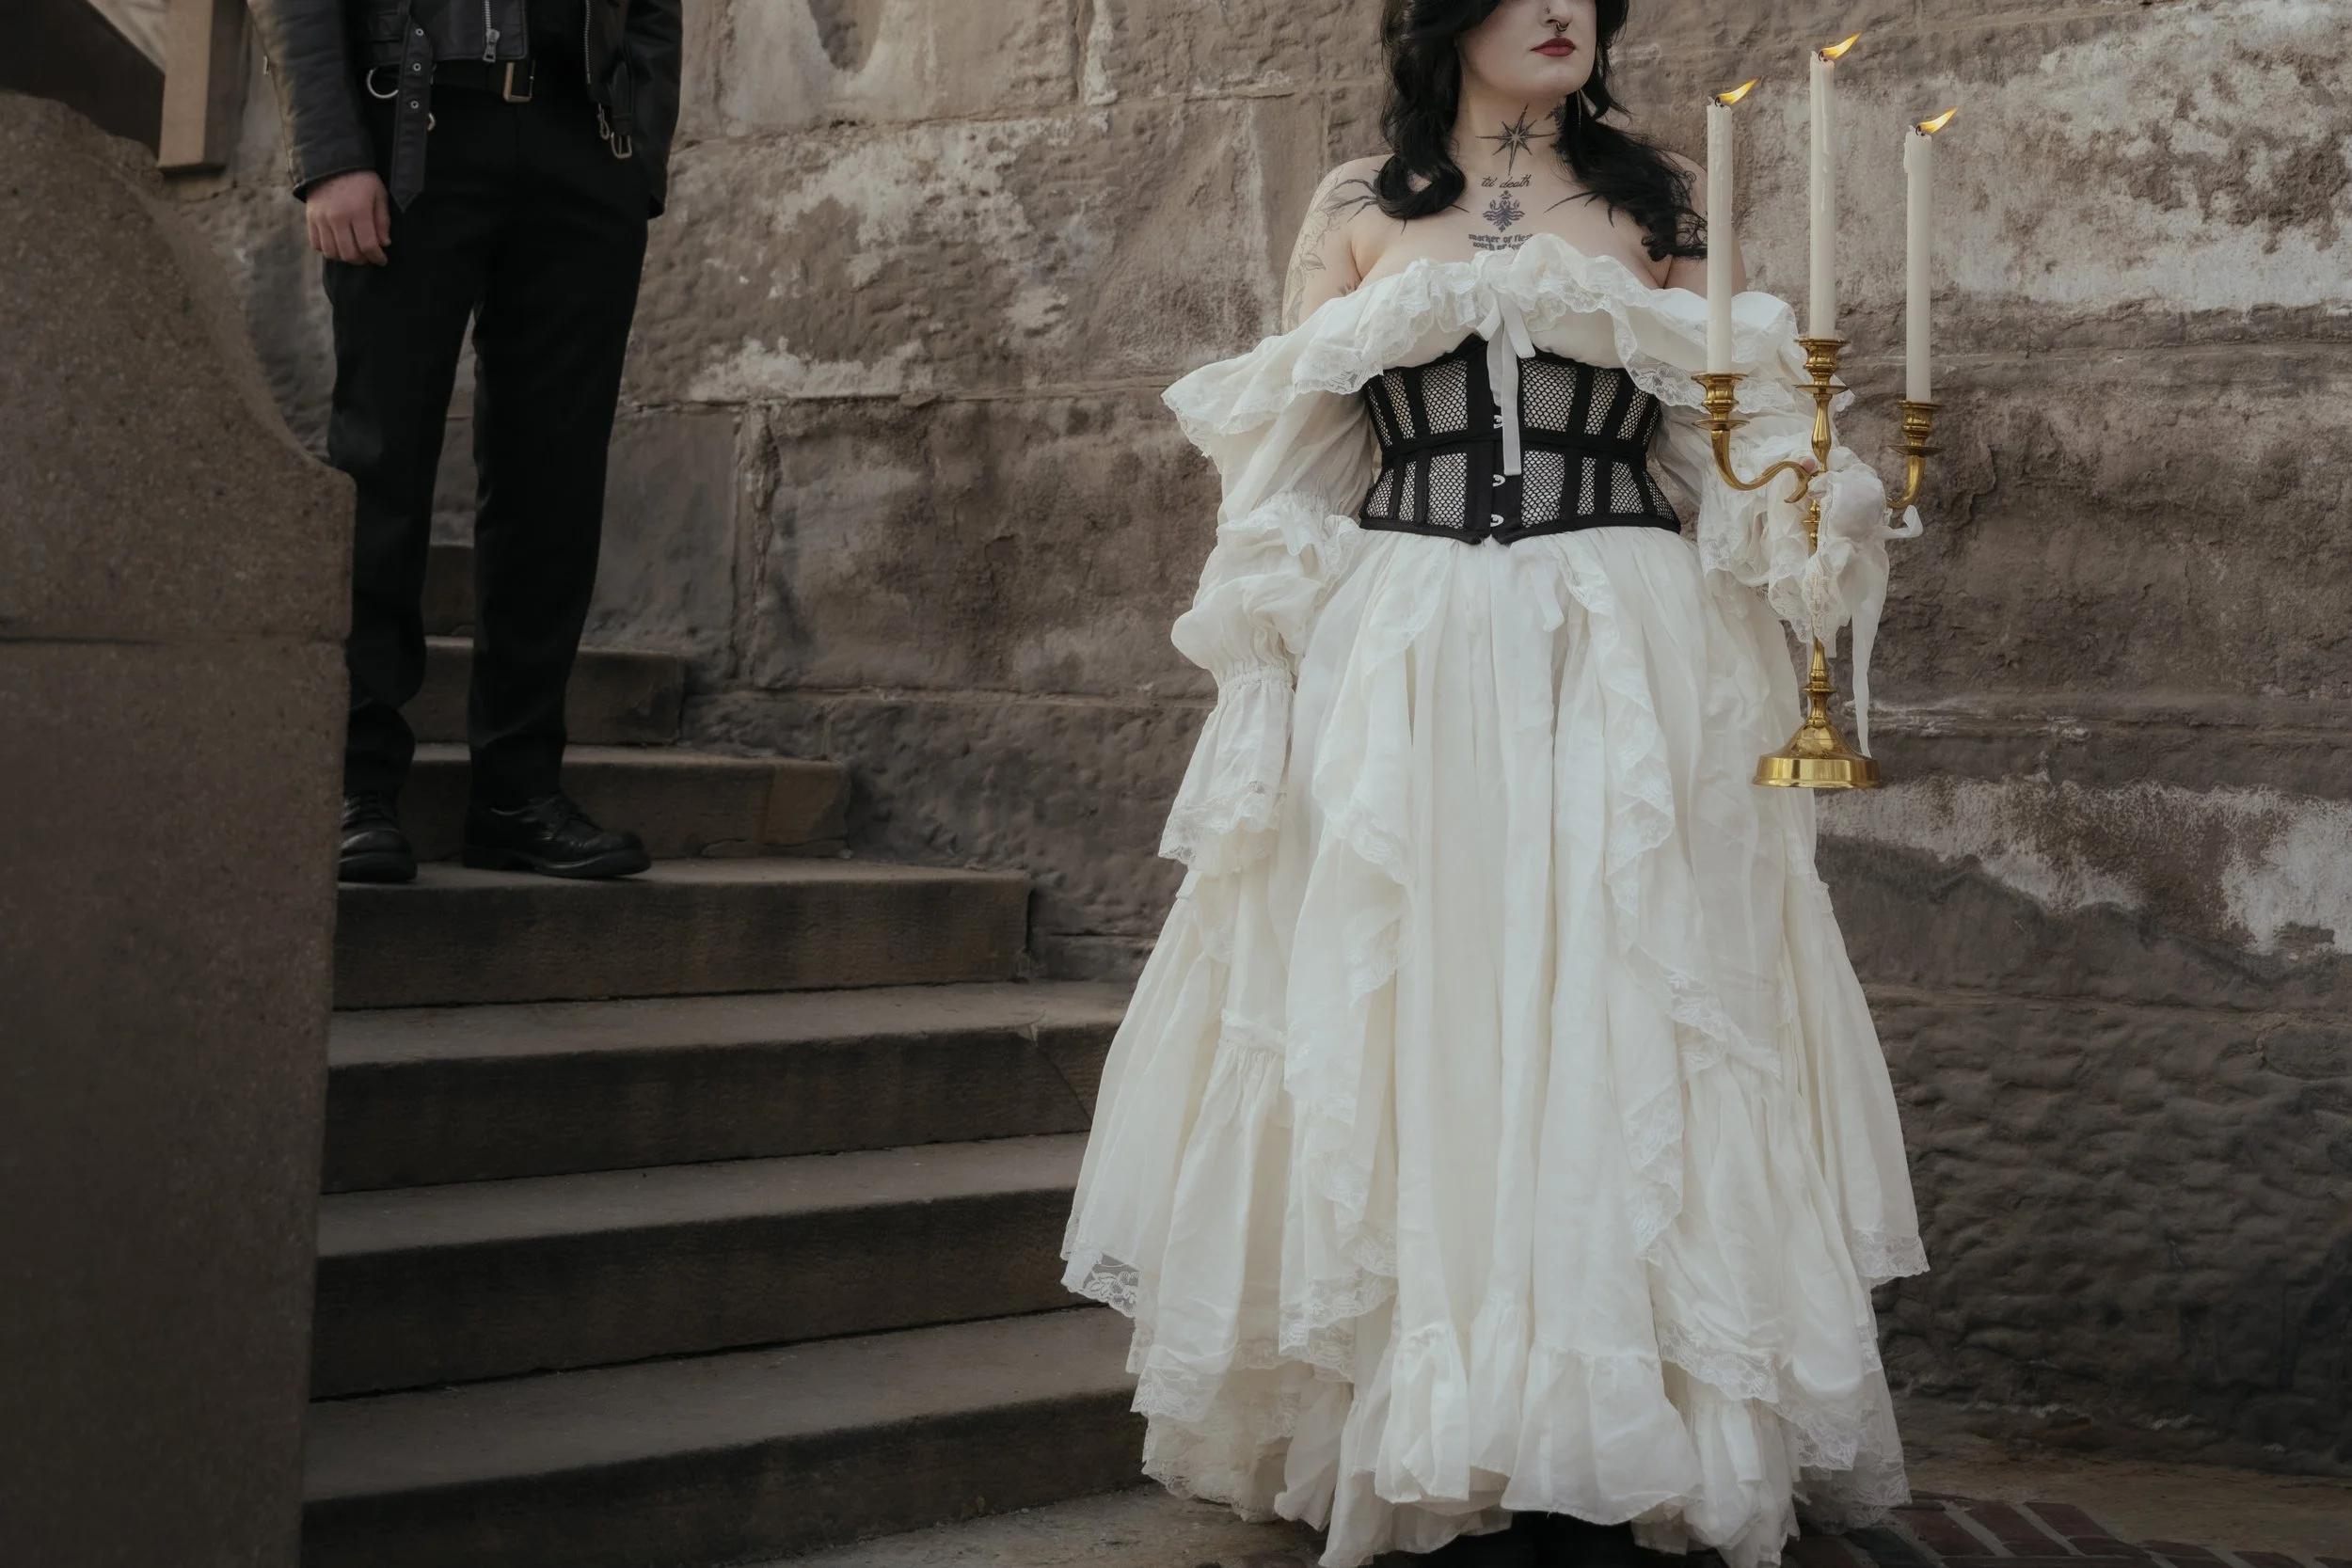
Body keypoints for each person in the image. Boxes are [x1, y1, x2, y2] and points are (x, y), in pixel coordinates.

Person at [1058, 3, 1928, 1565]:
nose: (1562, 15)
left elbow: (1746, 445)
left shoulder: (1660, 202)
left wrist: (1824, 505)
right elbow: (1282, 458)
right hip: (1404, 646)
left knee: (1616, 999)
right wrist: (1265, 652)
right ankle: (1425, 1426)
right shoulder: (1350, 208)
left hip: (1622, 639)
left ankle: (1611, 1432)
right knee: (1421, 1008)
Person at [249, 0, 682, 882]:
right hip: (415, 119)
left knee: (553, 479)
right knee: (382, 461)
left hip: (582, 136)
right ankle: (353, 782)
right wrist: (331, 154)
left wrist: (639, 152)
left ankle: (518, 793)